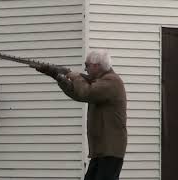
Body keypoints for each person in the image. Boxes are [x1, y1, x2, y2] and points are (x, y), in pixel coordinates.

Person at [33, 50, 127, 180]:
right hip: (102, 150)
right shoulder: (100, 81)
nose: (85, 68)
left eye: (87, 65)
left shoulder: (111, 81)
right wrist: (58, 76)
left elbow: (85, 92)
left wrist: (76, 76)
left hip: (110, 150)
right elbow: (77, 93)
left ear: (96, 65)